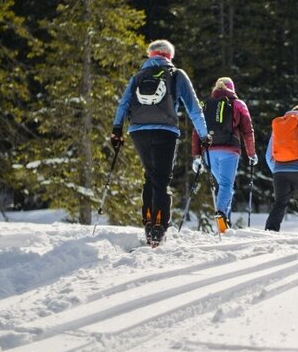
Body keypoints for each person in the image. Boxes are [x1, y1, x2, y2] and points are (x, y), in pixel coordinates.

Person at [110, 39, 209, 246]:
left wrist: (116, 130)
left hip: (138, 130)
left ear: (150, 55)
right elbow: (193, 108)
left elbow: (123, 103)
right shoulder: (176, 74)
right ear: (169, 56)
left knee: (151, 176)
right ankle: (159, 227)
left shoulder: (138, 76)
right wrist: (203, 134)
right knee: (162, 178)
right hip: (165, 131)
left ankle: (148, 222)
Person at [191, 77, 258, 232]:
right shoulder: (238, 104)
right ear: (232, 89)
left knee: (224, 186)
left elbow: (196, 131)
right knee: (226, 185)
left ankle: (225, 220)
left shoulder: (206, 105)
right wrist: (251, 153)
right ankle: (221, 213)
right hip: (229, 150)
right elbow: (248, 131)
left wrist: (196, 155)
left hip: (209, 151)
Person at [264, 103, 298, 235]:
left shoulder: (278, 128)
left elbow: (268, 155)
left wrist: (276, 170)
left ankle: (270, 232)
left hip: (279, 171)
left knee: (279, 203)